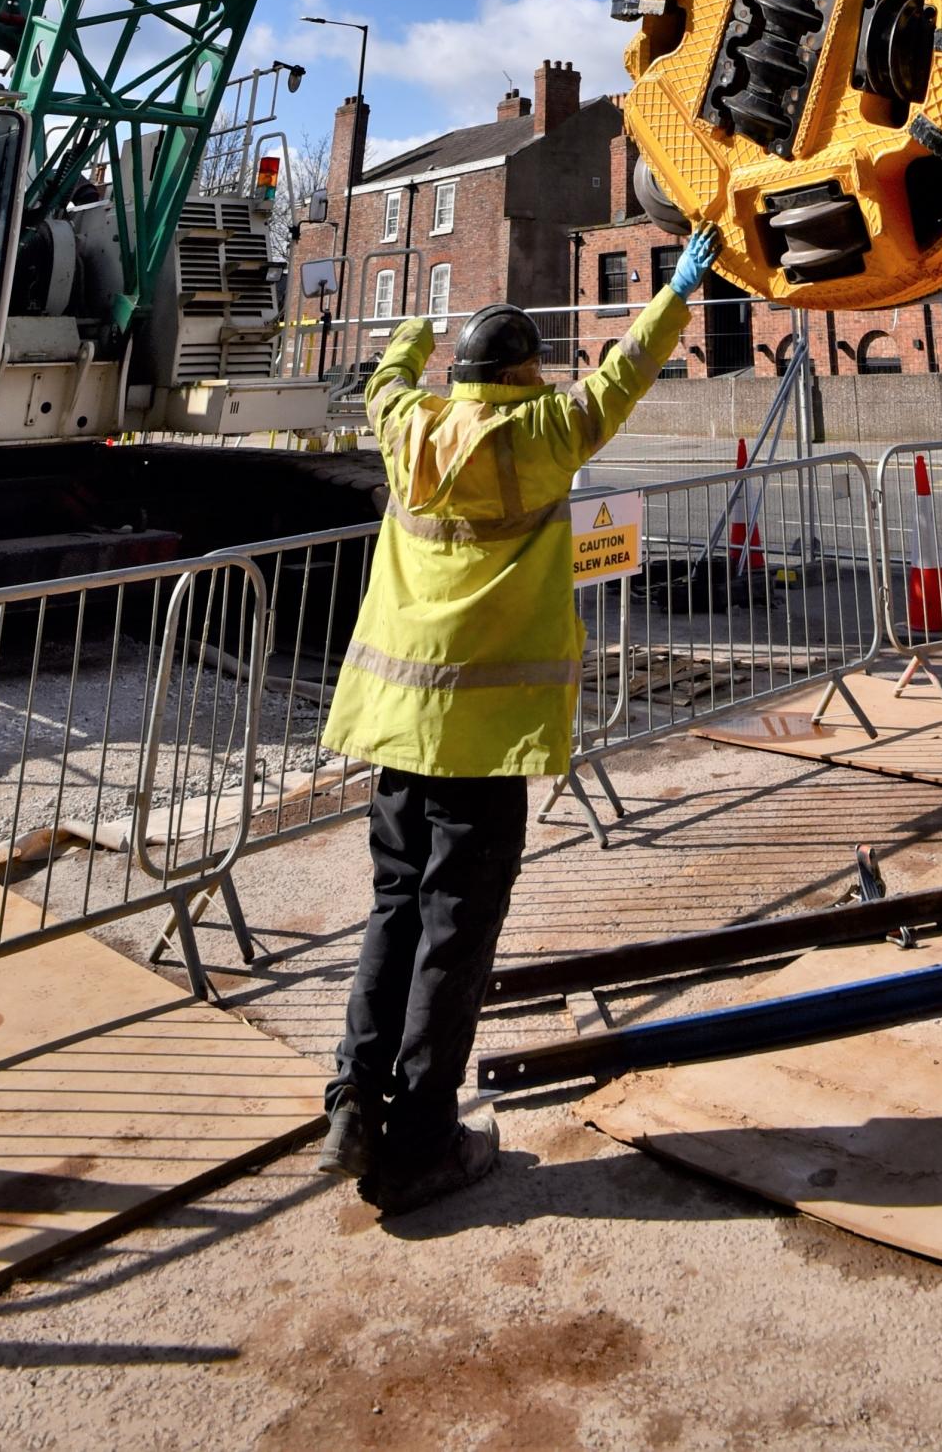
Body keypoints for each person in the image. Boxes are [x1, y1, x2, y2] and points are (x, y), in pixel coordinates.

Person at [317, 226, 722, 1209]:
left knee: (393, 911)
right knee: (455, 931)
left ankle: (350, 1106)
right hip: (486, 741)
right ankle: (422, 1136)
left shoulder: (407, 425)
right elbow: (622, 376)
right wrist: (674, 291)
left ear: (459, 372)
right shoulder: (544, 435)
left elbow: (384, 375)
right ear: (527, 376)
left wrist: (419, 325)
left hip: (398, 730)